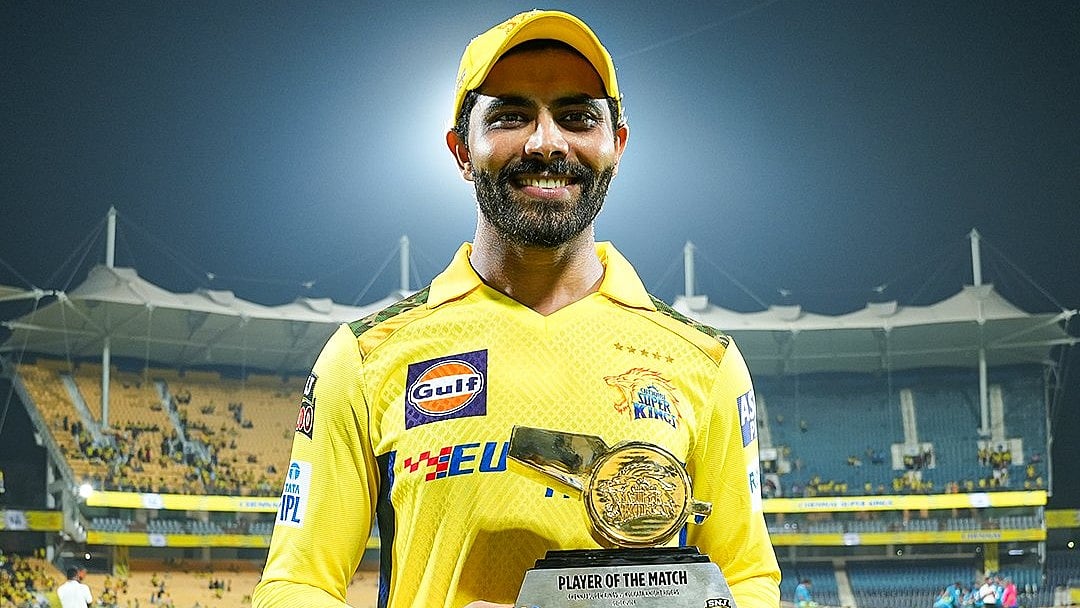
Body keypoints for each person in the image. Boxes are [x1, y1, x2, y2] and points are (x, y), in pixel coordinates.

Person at [252, 8, 780, 608]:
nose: (546, 142)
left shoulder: (707, 363)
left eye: (577, 117)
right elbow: (296, 585)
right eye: (511, 115)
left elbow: (748, 580)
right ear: (461, 149)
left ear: (616, 146)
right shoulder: (367, 356)